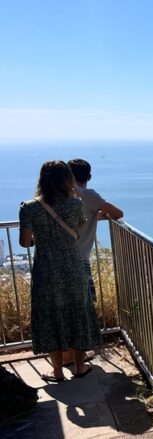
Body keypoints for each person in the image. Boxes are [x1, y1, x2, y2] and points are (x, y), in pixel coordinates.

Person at [19, 160, 101, 382]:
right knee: (78, 312)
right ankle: (80, 366)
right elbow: (78, 227)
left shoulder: (29, 208)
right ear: (66, 179)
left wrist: (41, 237)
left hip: (46, 268)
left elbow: (25, 242)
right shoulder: (75, 204)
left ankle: (56, 372)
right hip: (73, 265)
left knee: (50, 316)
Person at [67, 159, 124, 303]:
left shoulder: (64, 195)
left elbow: (78, 219)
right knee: (86, 304)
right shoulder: (87, 195)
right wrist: (100, 214)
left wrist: (93, 215)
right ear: (89, 177)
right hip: (79, 258)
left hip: (59, 258)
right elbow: (118, 213)